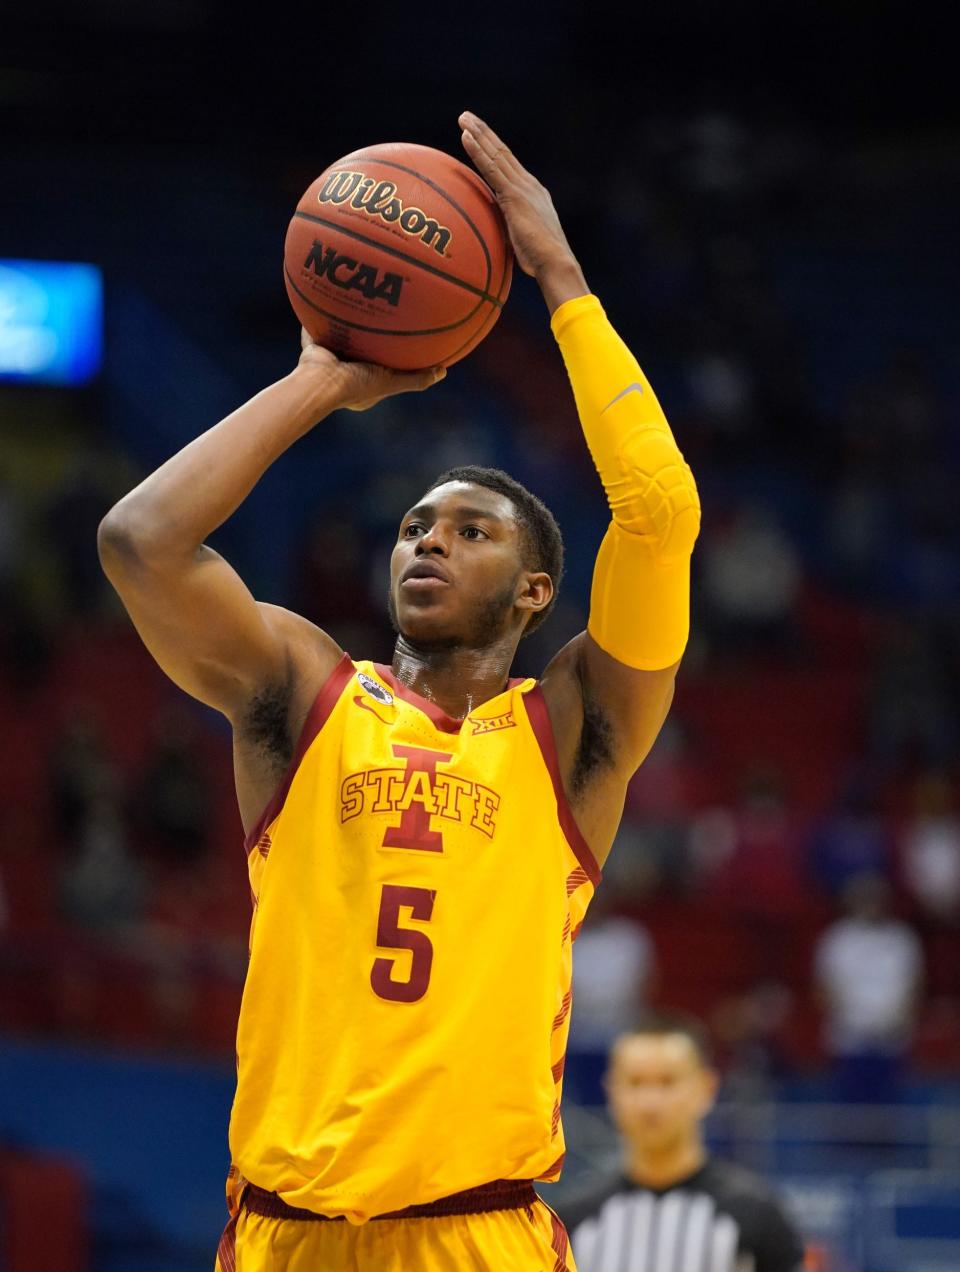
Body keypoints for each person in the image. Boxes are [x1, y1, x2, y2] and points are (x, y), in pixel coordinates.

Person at [98, 111, 700, 1272]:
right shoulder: (303, 692)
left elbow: (660, 517)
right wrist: (319, 380)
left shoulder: (575, 730)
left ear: (534, 590)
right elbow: (142, 542)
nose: (427, 541)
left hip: (479, 1232)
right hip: (285, 1231)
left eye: (470, 531)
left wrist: (562, 281)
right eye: (416, 525)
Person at [560, 1014, 805, 1272]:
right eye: (635, 1082)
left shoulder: (757, 1214)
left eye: (668, 1082)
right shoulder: (574, 1219)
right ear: (611, 1091)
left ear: (707, 1088)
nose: (650, 1102)